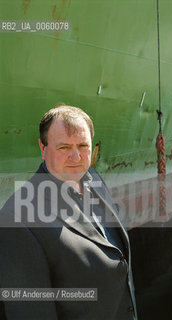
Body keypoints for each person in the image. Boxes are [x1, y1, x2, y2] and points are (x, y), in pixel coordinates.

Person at [0, 105, 138, 320]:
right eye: (64, 147)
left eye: (83, 145)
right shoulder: (17, 218)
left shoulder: (93, 178)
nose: (76, 157)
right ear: (43, 148)